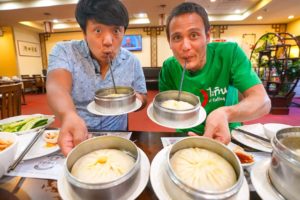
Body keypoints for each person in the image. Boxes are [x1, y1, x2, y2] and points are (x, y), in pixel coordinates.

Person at [159, 2, 271, 144]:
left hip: (228, 135)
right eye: (177, 37)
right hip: (187, 135)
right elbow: (169, 112)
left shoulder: (230, 53)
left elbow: (263, 102)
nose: (185, 47)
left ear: (207, 36)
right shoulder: (169, 68)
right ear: (169, 42)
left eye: (194, 35)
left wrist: (225, 114)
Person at [46, 0, 147, 156]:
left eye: (116, 31)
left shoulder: (132, 61)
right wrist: (68, 115)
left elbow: (143, 96)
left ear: (123, 32)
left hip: (118, 137)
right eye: (98, 30)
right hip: (79, 137)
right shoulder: (65, 51)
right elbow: (57, 86)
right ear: (84, 32)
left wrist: (130, 100)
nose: (107, 41)